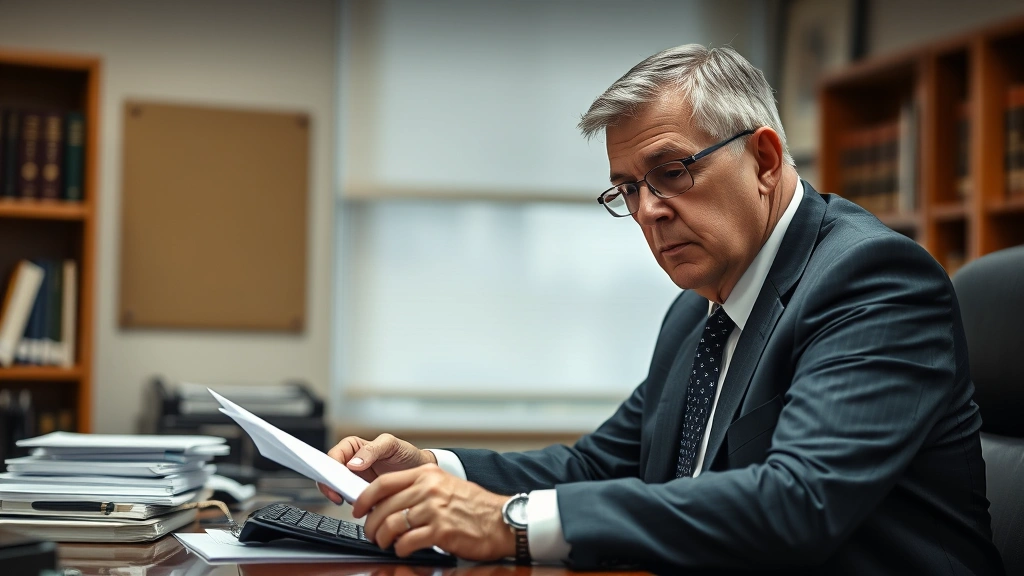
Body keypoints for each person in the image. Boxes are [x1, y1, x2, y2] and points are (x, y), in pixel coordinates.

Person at [318, 44, 1005, 574]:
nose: (649, 211)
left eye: (672, 173)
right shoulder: (697, 309)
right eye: (627, 190)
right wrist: (438, 472)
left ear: (764, 158)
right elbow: (596, 470)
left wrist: (513, 521)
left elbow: (799, 503)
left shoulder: (871, 280)